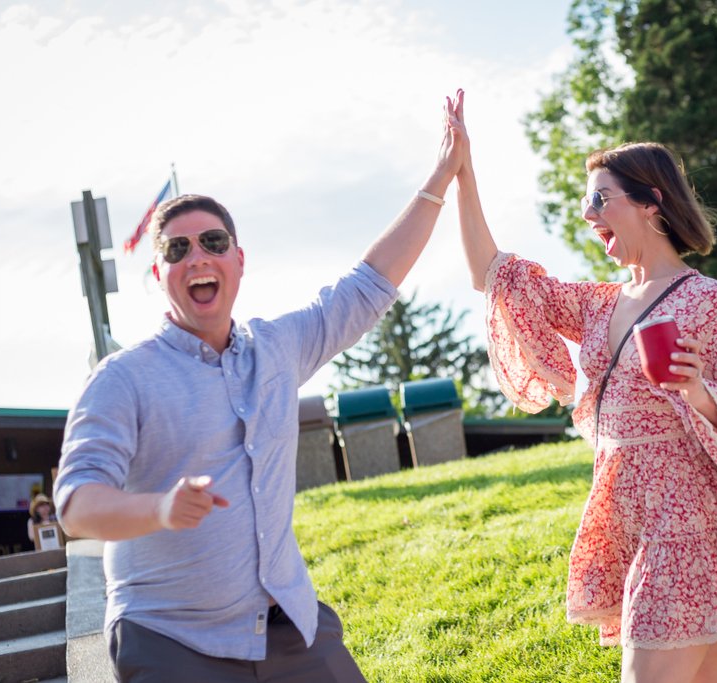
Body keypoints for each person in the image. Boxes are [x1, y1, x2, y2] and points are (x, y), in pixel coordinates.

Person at [53, 98, 465, 682]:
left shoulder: (278, 348)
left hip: (288, 626)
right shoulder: (123, 379)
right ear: (158, 274)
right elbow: (75, 504)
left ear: (239, 259)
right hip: (171, 637)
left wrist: (441, 176)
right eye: (177, 248)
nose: (198, 255)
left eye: (213, 242)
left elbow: (369, 283)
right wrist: (161, 510)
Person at [448, 90, 717, 683]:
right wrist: (463, 171)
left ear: (650, 204)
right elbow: (494, 275)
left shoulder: (711, 301)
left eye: (600, 198)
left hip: (687, 518)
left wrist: (698, 392)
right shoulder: (595, 304)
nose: (588, 213)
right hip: (629, 515)